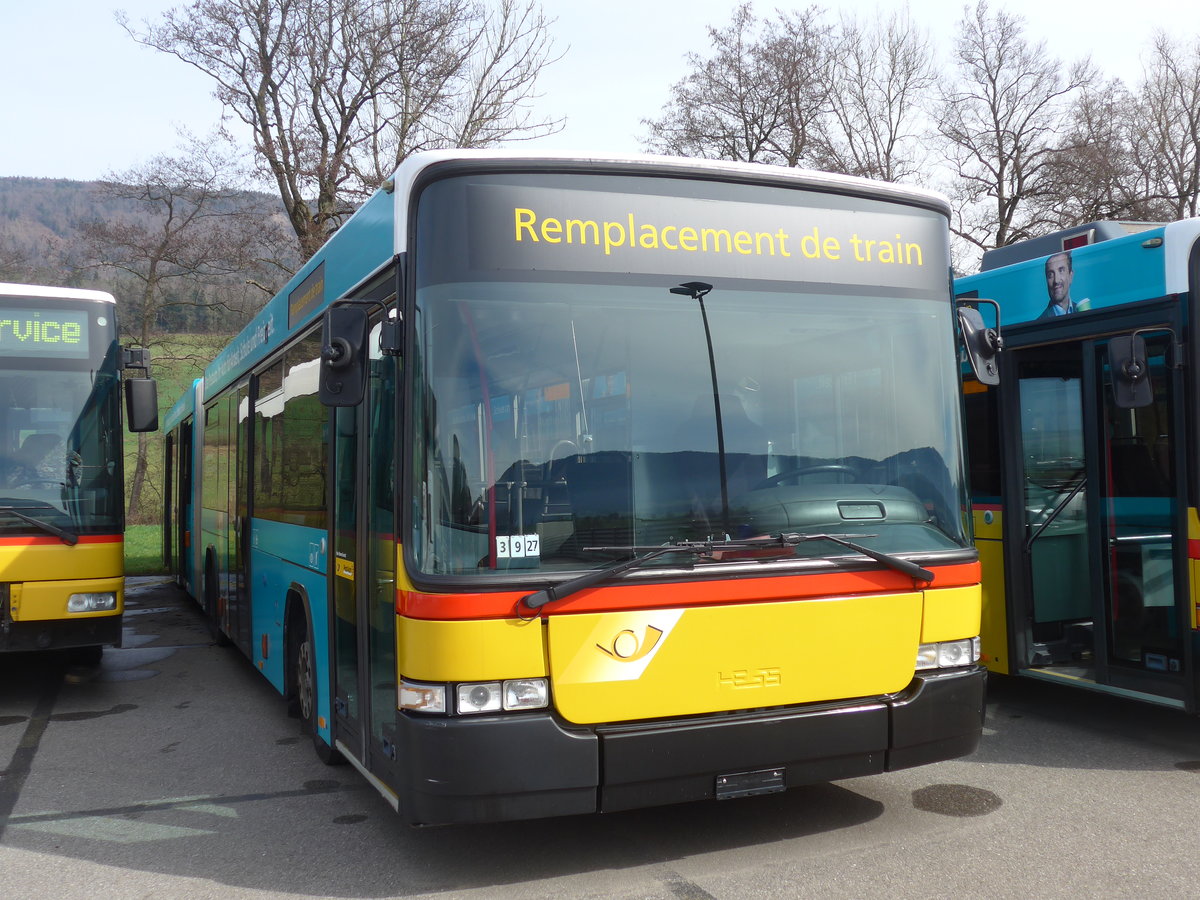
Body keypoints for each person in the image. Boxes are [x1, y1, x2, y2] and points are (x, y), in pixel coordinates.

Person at [1039, 250, 1090, 319]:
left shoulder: (1085, 313)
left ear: (1070, 276)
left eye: (1061, 270)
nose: (1056, 280)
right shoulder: (1041, 322)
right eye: (1050, 274)